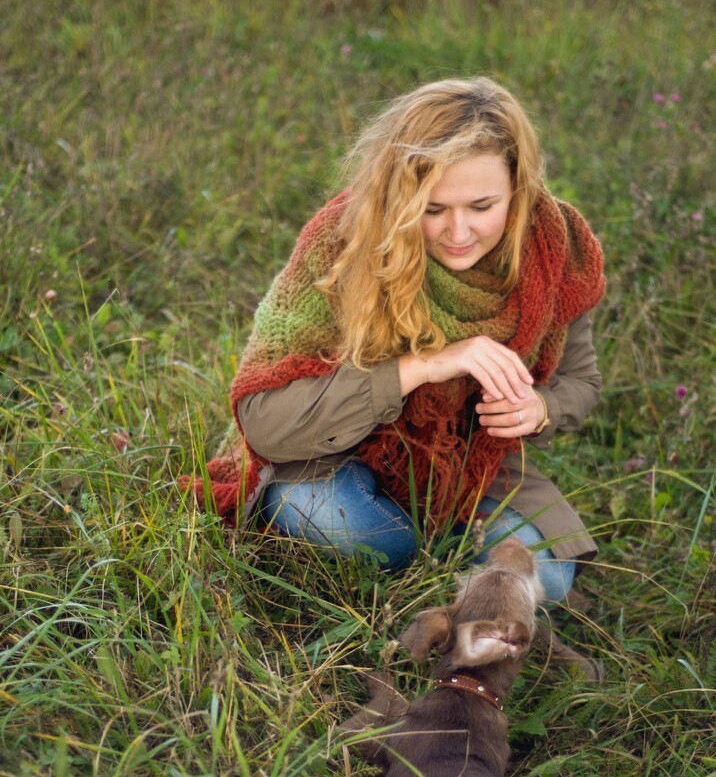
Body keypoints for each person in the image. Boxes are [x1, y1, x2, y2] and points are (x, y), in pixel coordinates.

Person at [182, 77, 605, 602]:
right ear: (399, 195)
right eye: (431, 209)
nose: (458, 231)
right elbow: (265, 422)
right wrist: (424, 366)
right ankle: (428, 570)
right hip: (340, 460)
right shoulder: (345, 240)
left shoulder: (554, 248)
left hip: (478, 475)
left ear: (518, 189)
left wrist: (539, 410)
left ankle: (438, 570)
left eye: (481, 206)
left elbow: (581, 382)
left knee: (552, 579)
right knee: (331, 518)